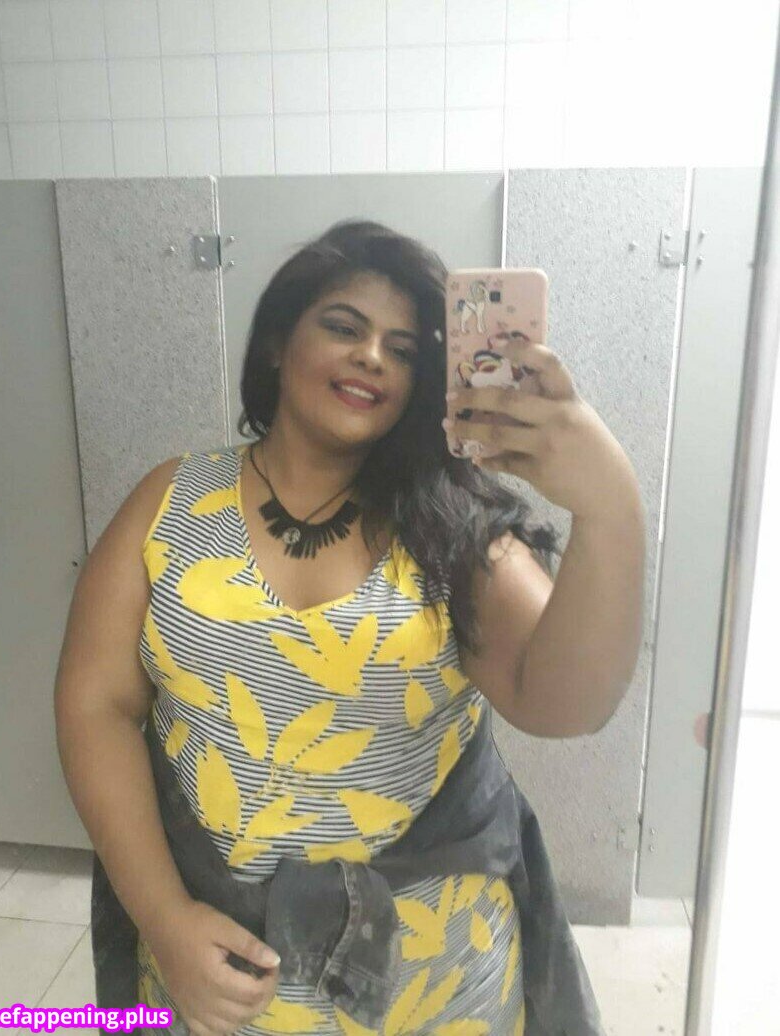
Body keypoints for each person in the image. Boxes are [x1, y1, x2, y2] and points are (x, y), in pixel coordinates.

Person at [54, 219, 646, 1036]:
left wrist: (609, 505)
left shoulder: (452, 527)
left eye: (402, 350)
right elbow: (95, 705)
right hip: (212, 970)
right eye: (344, 327)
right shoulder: (170, 501)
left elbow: (567, 706)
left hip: (436, 984)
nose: (372, 356)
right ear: (276, 344)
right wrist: (162, 918)